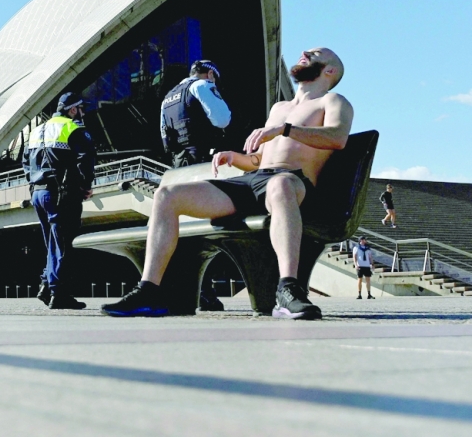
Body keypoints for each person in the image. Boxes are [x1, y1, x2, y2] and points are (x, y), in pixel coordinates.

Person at [102, 47, 353, 320]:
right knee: (167, 194)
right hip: (254, 181)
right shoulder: (280, 108)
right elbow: (259, 161)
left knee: (280, 186)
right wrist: (236, 158)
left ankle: (288, 290)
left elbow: (337, 137)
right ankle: (149, 291)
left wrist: (285, 129)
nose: (306, 52)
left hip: (292, 182)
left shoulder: (333, 101)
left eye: (316, 54)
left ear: (329, 71)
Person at [23, 91, 96, 310]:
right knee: (63, 243)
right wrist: (85, 185)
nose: (82, 113)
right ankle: (59, 293)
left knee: (52, 243)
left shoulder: (37, 131)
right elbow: (86, 157)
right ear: (72, 109)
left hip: (39, 192)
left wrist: (33, 184)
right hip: (61, 193)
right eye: (81, 109)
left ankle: (46, 285)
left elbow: (25, 162)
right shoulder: (73, 128)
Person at [160, 60, 232, 167]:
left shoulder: (167, 98)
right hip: (203, 162)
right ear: (211, 74)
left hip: (178, 165)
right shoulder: (202, 85)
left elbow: (164, 136)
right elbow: (223, 120)